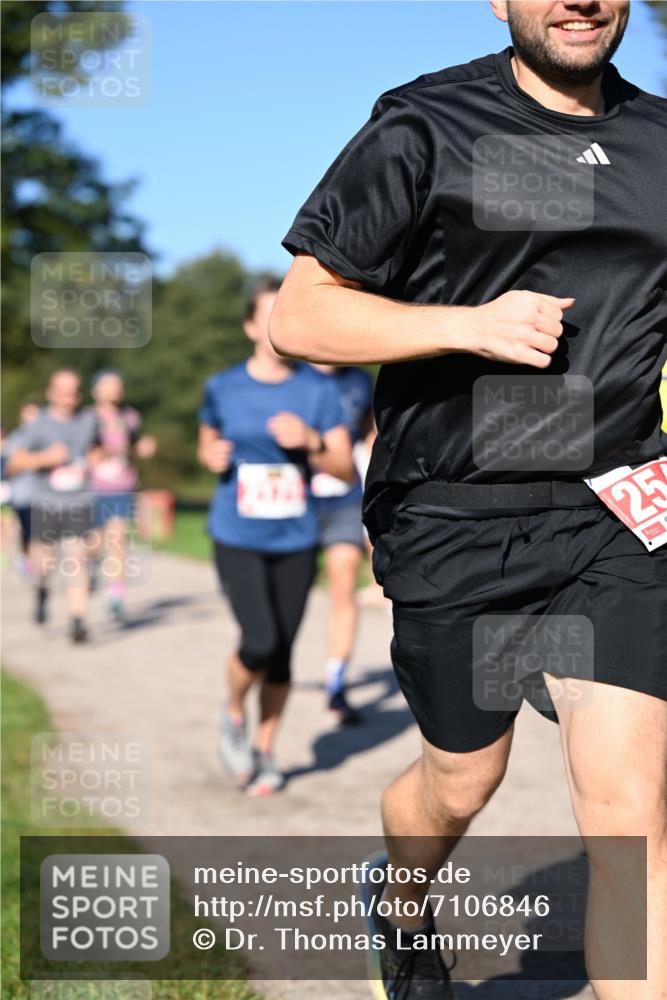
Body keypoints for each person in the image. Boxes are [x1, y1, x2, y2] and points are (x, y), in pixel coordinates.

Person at [270, 2, 667, 997]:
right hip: (454, 508)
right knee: (462, 778)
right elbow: (301, 312)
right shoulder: (427, 123)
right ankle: (401, 902)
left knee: (631, 813)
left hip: (613, 505)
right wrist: (466, 326)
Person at [198, 277, 354, 796]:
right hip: (237, 531)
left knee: (283, 653)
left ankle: (265, 750)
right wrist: (211, 456)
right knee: (259, 640)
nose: (278, 327)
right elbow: (208, 443)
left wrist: (311, 441)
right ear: (249, 326)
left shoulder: (318, 389)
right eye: (267, 317)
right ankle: (232, 713)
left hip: (297, 533)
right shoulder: (222, 387)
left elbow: (345, 468)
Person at [6, 370, 100, 643]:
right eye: (63, 391)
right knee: (44, 562)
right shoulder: (38, 425)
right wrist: (45, 458)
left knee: (77, 558)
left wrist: (95, 459)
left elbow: (96, 448)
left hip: (79, 499)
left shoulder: (88, 420)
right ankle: (42, 589)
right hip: (45, 502)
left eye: (74, 391)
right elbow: (13, 463)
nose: (69, 397)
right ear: (51, 393)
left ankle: (78, 620)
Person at [310, 364, 373, 725]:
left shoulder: (358, 379)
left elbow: (370, 433)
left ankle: (336, 685)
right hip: (292, 501)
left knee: (344, 582)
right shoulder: (292, 371)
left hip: (344, 497)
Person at [88, 369, 156, 623]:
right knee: (94, 542)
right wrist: (99, 453)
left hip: (122, 486)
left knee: (117, 539)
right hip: (92, 487)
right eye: (109, 385)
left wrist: (143, 448)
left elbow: (133, 446)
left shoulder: (130, 417)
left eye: (118, 385)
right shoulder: (88, 418)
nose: (115, 390)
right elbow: (83, 452)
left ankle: (115, 597)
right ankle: (91, 566)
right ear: (96, 390)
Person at [3, 399, 40, 574]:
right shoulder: (15, 438)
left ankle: (39, 563)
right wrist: (32, 461)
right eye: (28, 414)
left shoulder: (47, 436)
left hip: (44, 492)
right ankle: (26, 558)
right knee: (27, 529)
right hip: (23, 493)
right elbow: (9, 468)